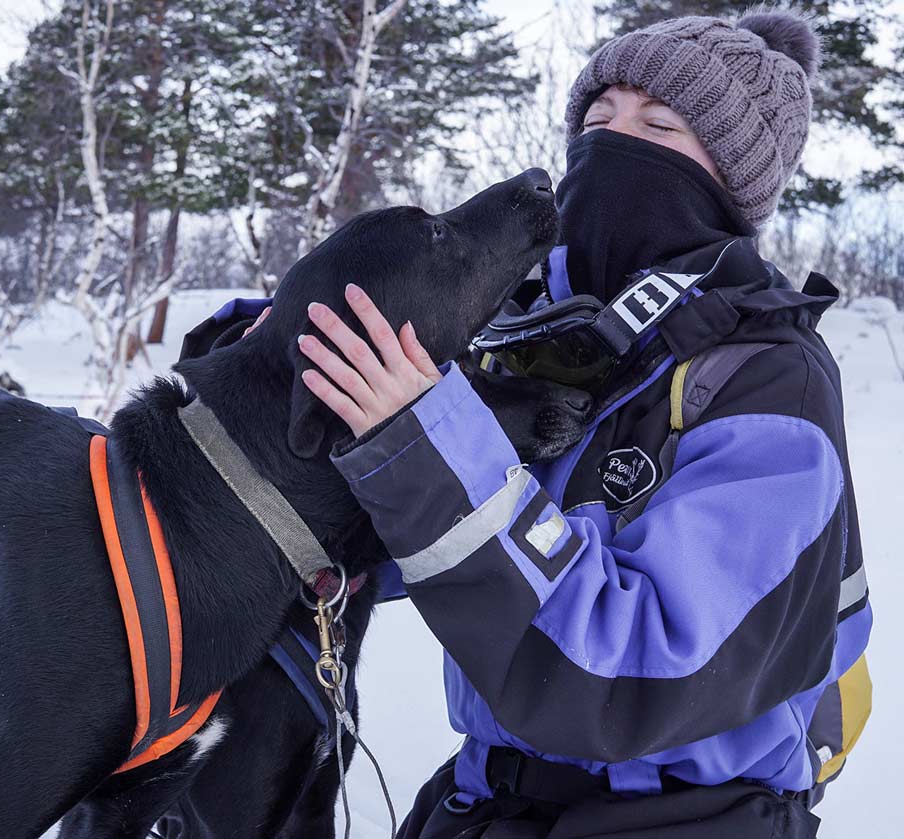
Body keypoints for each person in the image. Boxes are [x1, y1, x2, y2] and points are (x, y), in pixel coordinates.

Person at [282, 8, 870, 839]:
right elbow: (379, 553)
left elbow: (628, 670)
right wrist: (284, 361)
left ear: (730, 183)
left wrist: (423, 443)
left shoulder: (770, 380)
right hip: (481, 803)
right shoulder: (540, 340)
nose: (614, 144)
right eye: (597, 121)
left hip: (686, 819)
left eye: (660, 126)